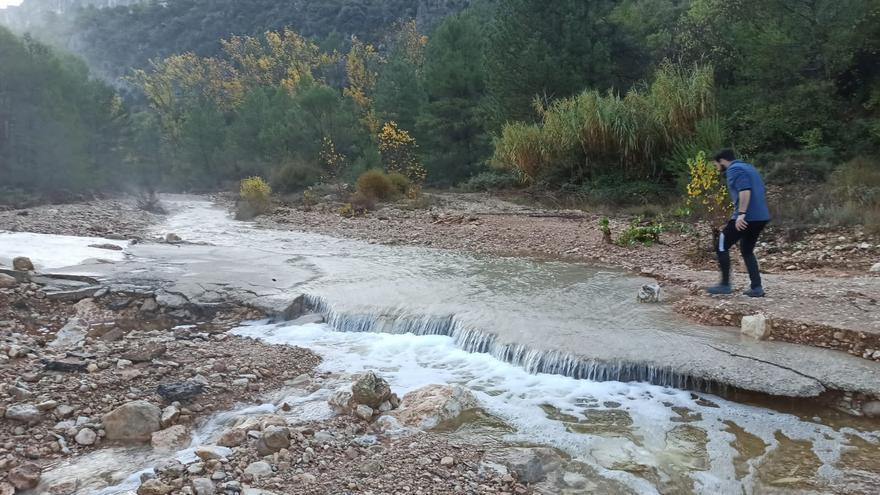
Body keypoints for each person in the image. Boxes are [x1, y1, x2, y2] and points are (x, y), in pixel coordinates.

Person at [707, 149, 771, 297]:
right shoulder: (750, 168)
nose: (717, 169)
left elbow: (745, 190)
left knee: (721, 244)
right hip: (761, 217)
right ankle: (756, 288)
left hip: (746, 217)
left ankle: (724, 285)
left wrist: (742, 214)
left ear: (722, 161)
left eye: (716, 165)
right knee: (747, 250)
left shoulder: (734, 169)